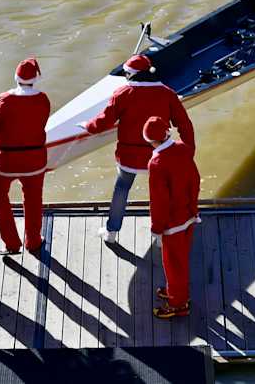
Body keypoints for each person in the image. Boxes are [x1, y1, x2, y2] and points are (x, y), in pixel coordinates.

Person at [79, 54, 194, 244]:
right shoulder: (167, 93)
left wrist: (87, 126)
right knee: (162, 195)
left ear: (131, 75)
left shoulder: (122, 93)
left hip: (129, 157)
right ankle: (160, 236)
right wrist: (188, 150)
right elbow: (184, 124)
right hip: (159, 156)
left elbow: (103, 122)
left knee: (121, 189)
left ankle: (111, 233)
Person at [0, 58, 50, 256]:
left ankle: (12, 243)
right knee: (33, 199)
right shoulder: (43, 99)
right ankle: (33, 241)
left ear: (16, 77)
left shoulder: (4, 100)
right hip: (35, 160)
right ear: (36, 78)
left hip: (7, 159)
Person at [143, 116, 201, 319]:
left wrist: (156, 228)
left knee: (174, 264)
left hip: (172, 224)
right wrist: (193, 209)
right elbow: (195, 180)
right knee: (182, 259)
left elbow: (158, 201)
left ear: (151, 140)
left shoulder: (157, 163)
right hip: (188, 216)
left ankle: (178, 304)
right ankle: (175, 292)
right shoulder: (184, 149)